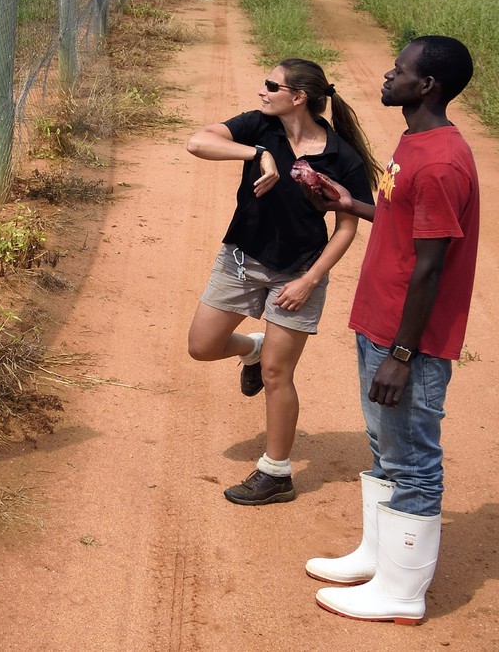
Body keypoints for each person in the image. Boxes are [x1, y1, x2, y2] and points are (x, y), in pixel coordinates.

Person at [305, 35, 478, 625]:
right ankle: (377, 559)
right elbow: (406, 222)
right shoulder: (416, 142)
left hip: (410, 340)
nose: (387, 75)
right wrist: (350, 203)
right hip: (382, 322)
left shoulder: (440, 162)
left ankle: (402, 592)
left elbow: (431, 266)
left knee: (413, 460)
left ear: (427, 85)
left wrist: (403, 354)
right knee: (386, 447)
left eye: (398, 70)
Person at [185, 58, 378, 505]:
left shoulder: (341, 157)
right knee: (202, 346)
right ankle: (250, 348)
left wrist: (309, 281)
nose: (262, 91)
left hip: (298, 270)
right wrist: (258, 154)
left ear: (299, 97)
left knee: (277, 372)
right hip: (241, 257)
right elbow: (197, 142)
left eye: (271, 85)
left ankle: (277, 472)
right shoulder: (260, 127)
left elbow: (346, 230)